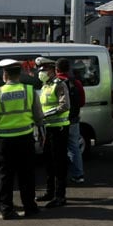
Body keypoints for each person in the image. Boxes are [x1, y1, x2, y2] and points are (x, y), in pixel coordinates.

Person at [0, 59, 45, 220]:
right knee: (27, 175)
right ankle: (30, 207)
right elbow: (39, 116)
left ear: (5, 75)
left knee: (5, 177)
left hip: (4, 141)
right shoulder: (29, 90)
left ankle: (6, 209)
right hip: (25, 139)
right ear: (19, 74)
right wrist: (42, 134)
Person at [34, 57, 70, 208]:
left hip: (59, 129)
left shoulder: (59, 84)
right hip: (47, 129)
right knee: (48, 162)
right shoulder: (44, 86)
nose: (41, 73)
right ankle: (50, 192)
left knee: (58, 163)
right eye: (40, 70)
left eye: (43, 70)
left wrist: (44, 115)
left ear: (51, 70)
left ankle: (60, 196)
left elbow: (65, 105)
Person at [62, 59, 86, 184]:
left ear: (56, 69)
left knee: (58, 149)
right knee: (74, 147)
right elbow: (82, 102)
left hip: (57, 121)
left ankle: (59, 177)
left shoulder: (54, 83)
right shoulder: (75, 82)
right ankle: (78, 175)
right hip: (73, 119)